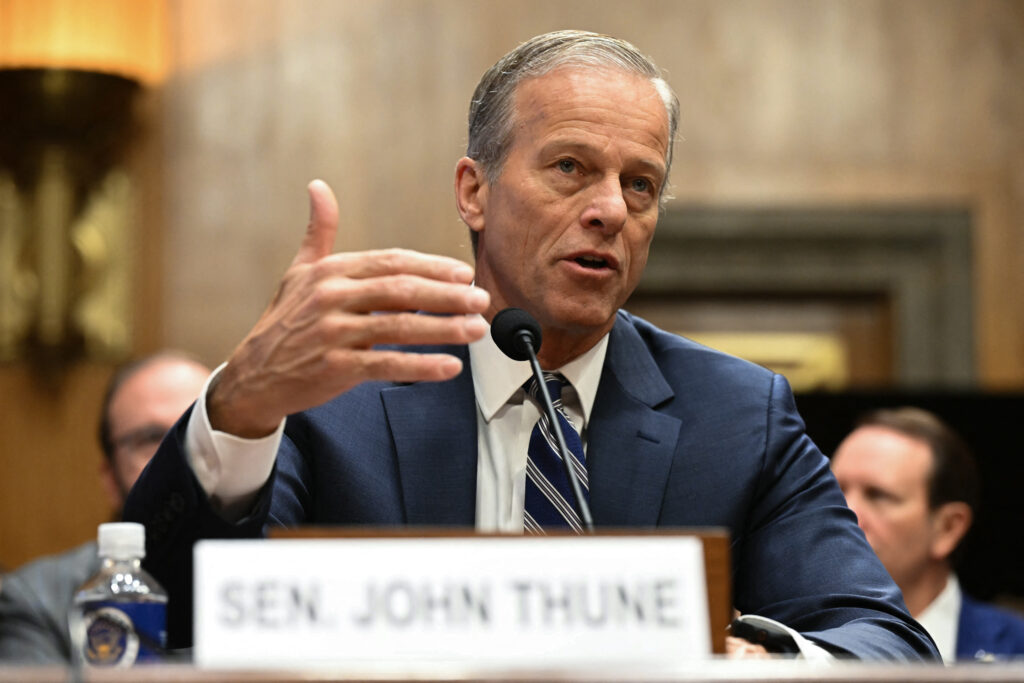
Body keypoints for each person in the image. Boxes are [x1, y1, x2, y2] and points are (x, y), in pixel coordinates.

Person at [125, 30, 936, 660]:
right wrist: (238, 411)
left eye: (641, 184)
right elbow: (167, 619)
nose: (611, 209)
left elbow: (887, 643)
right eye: (571, 168)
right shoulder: (338, 396)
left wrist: (766, 659)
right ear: (474, 191)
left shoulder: (735, 416)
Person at [0, 352, 211, 665]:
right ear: (110, 479)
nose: (179, 455)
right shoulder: (36, 600)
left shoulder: (282, 590)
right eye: (152, 438)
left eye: (200, 429)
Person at [832, 407, 1024, 662]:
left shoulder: (1016, 650)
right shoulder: (782, 644)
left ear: (947, 529)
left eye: (878, 495)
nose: (844, 511)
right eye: (832, 489)